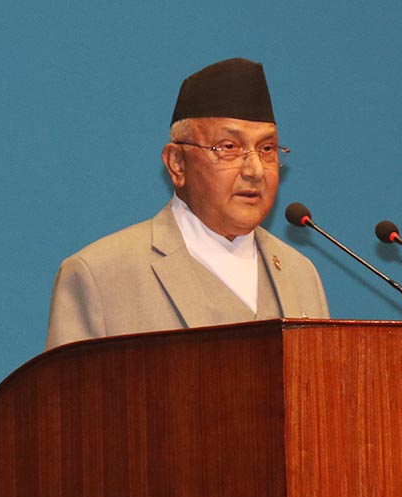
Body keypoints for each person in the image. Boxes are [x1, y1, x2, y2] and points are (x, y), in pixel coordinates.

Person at [45, 58, 329, 350]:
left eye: (267, 149)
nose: (255, 170)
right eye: (229, 148)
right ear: (177, 164)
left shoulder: (300, 275)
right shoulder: (100, 276)